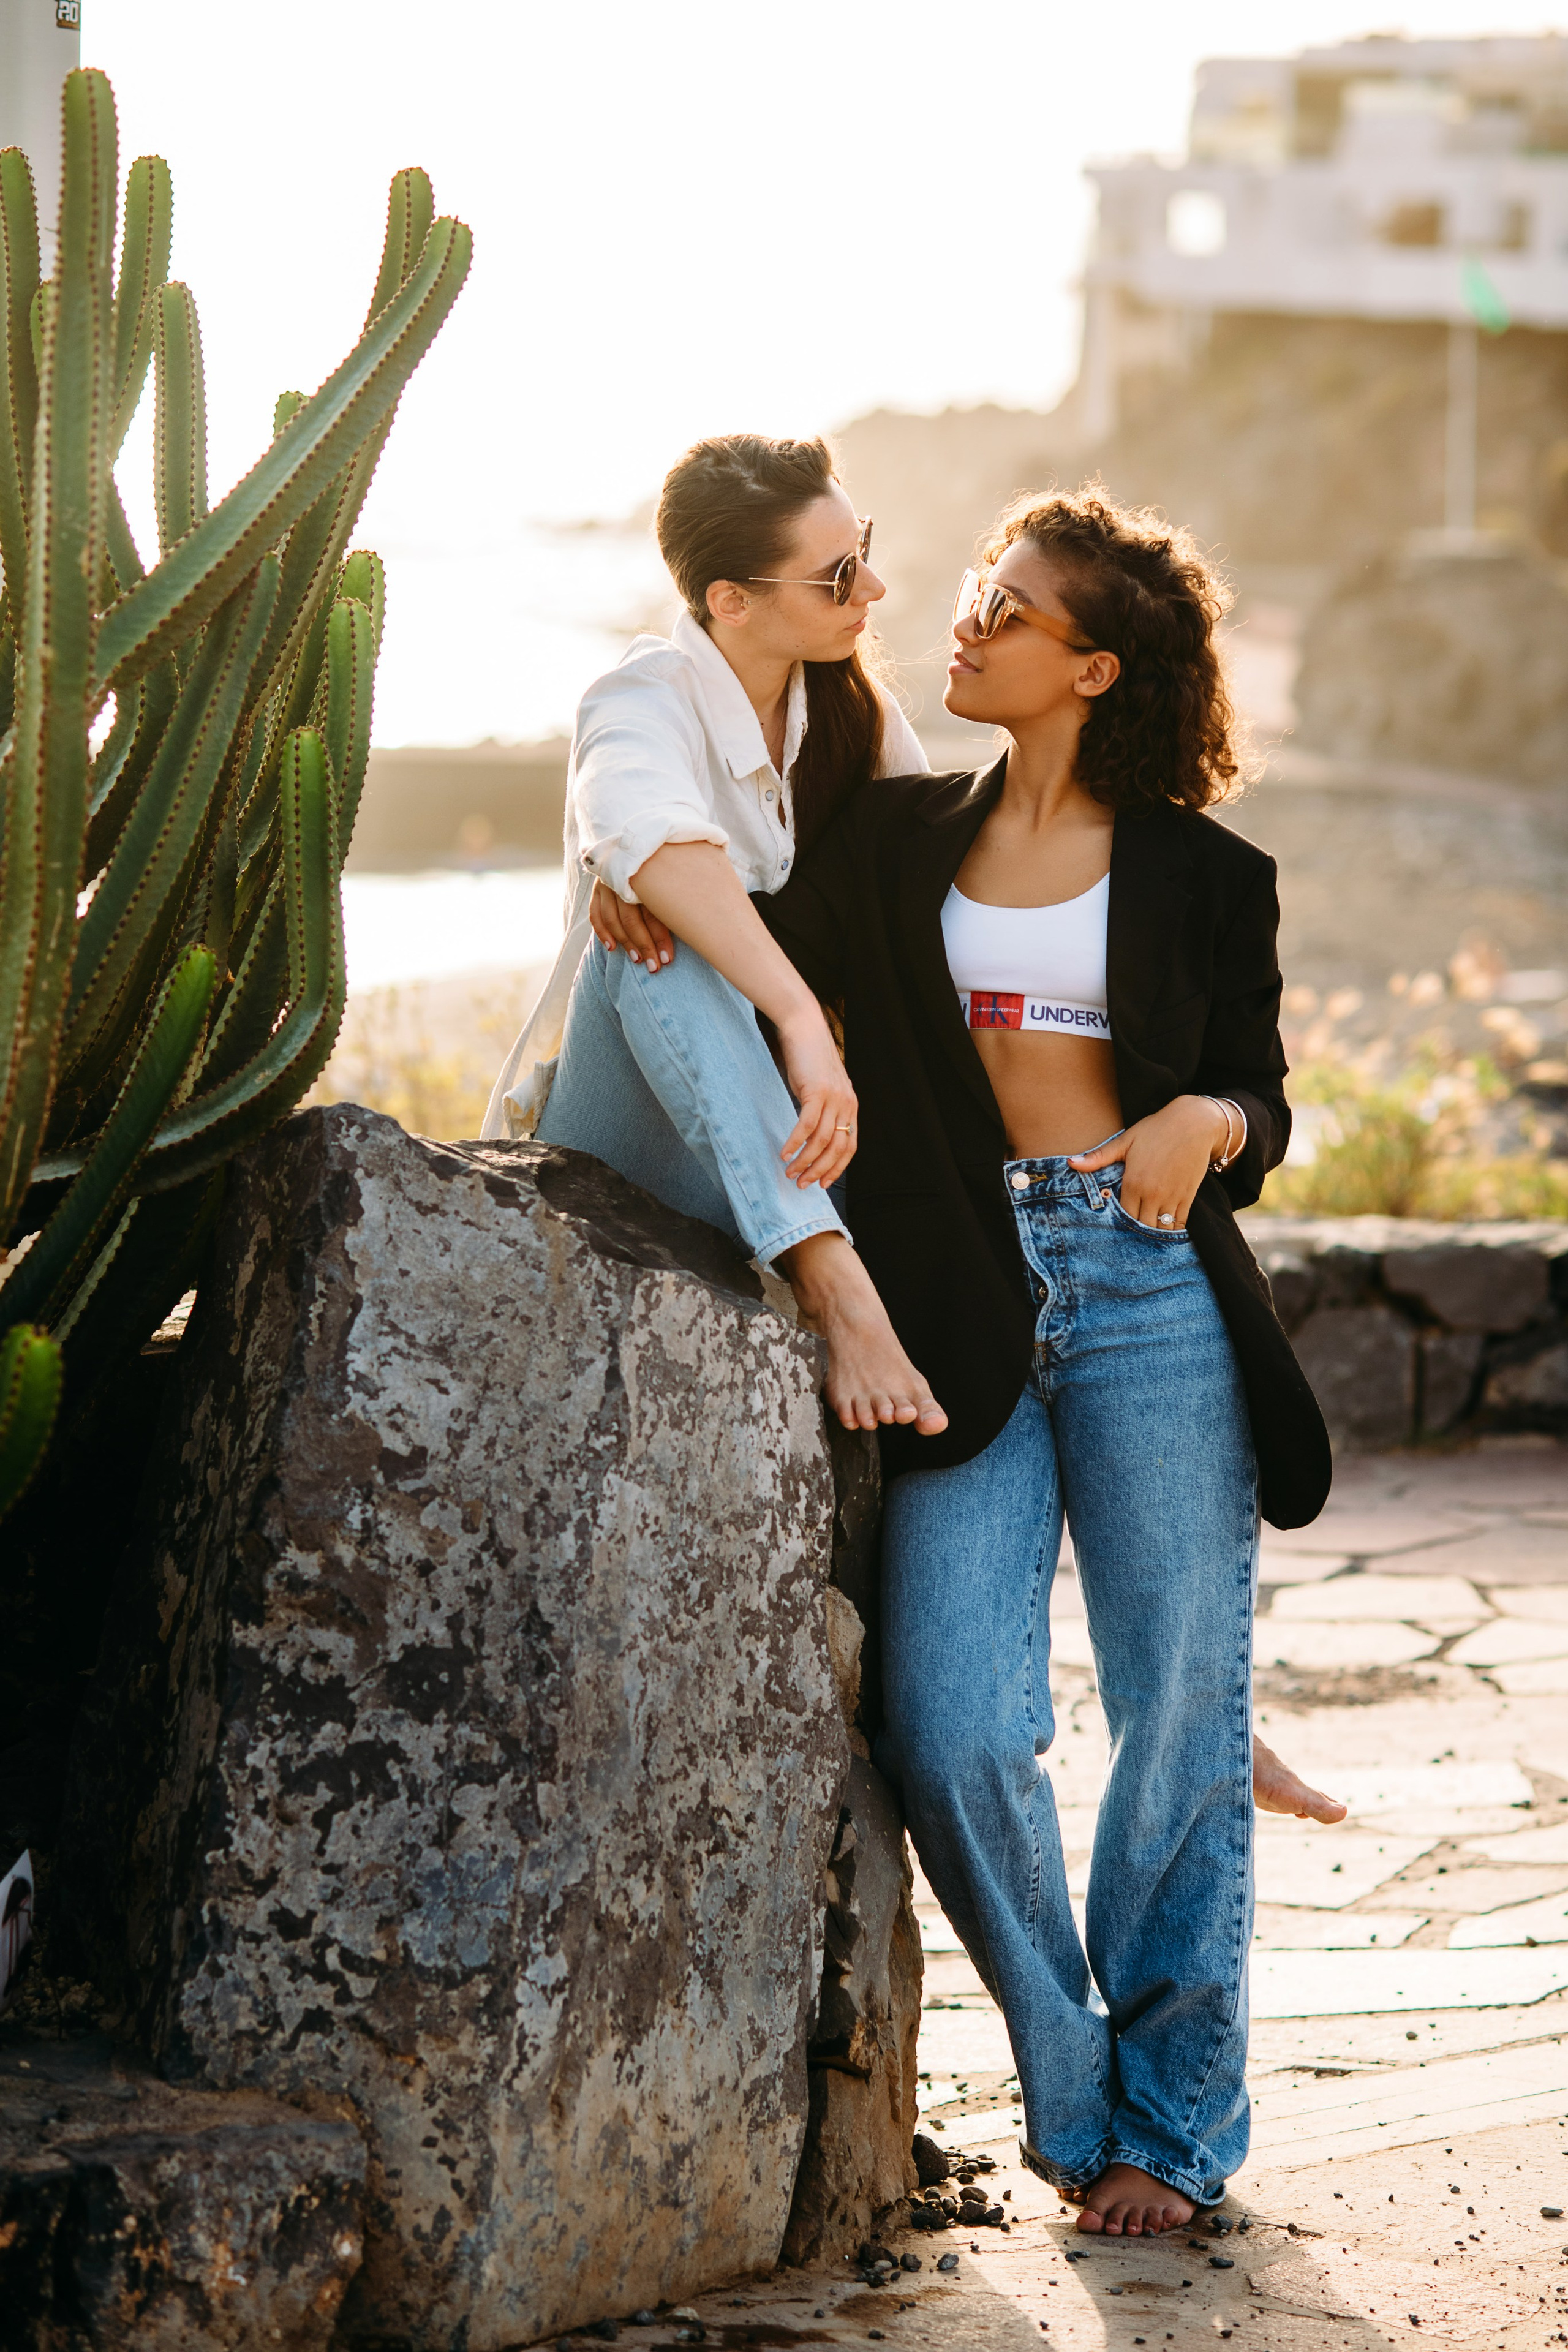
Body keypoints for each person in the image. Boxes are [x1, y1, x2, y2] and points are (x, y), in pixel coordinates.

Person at [754, 487, 1337, 2237]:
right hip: (953, 1303)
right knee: (947, 1726)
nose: (967, 620)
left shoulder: (1211, 878)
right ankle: (1068, 2065)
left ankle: (1170, 2123)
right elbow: (765, 966)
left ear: (1093, 668)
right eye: (975, 592)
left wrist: (1206, 1118)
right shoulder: (886, 838)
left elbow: (1261, 1100)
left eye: (1008, 609)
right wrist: (649, 896)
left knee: (1175, 1723)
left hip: (1150, 1290)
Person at [481, 433, 948, 1439]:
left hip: (791, 1136)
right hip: (627, 1141)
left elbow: (930, 879)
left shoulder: (855, 717)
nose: (873, 587)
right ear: (731, 600)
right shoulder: (642, 696)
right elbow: (646, 832)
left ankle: (821, 1246)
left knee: (666, 905)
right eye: (838, 576)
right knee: (652, 932)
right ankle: (829, 1279)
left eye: (862, 549)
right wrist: (799, 1016)